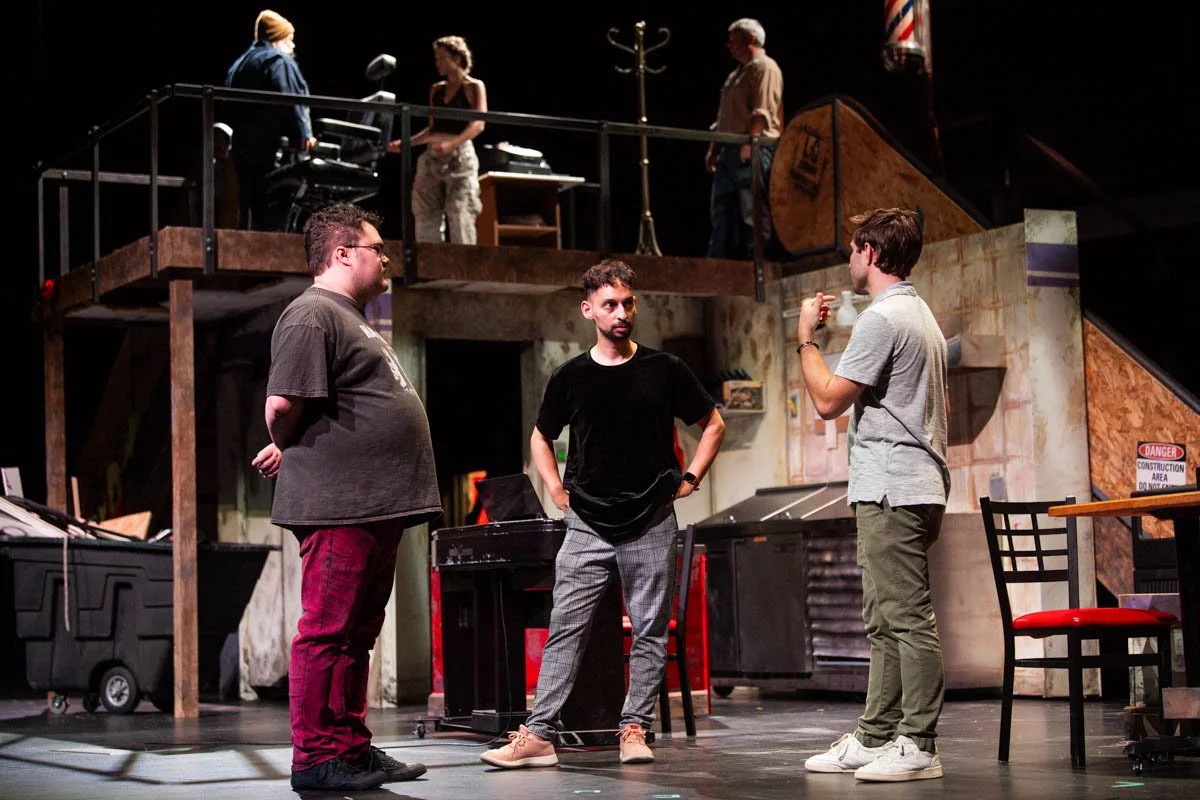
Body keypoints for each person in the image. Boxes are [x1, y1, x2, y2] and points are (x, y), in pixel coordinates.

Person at [480, 259, 726, 769]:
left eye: (628, 302)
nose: (622, 312)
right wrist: (554, 487)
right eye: (610, 304)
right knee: (566, 627)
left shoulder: (664, 369)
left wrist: (691, 478)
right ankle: (541, 734)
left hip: (651, 519)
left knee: (649, 630)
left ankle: (634, 728)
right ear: (588, 309)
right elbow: (540, 436)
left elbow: (713, 424)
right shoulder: (571, 376)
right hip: (588, 522)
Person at [251, 202, 440, 792]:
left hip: (370, 503)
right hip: (340, 506)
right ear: (341, 254)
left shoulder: (349, 316)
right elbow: (281, 405)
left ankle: (350, 748)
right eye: (376, 248)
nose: (384, 257)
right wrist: (288, 441)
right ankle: (315, 756)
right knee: (328, 631)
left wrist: (297, 445)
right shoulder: (312, 314)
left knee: (356, 633)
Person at [793, 208, 949, 782]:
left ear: (871, 253)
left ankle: (919, 742)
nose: (850, 258)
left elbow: (829, 400)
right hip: (899, 484)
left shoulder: (883, 320)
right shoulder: (914, 312)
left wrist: (805, 339)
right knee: (883, 618)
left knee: (906, 618)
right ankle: (876, 734)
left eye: (854, 248)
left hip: (894, 486)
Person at [224, 9, 317, 230]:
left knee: (253, 213)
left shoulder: (239, 65)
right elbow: (290, 100)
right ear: (277, 38)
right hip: (270, 149)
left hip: (241, 150)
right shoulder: (278, 60)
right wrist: (304, 134)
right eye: (290, 40)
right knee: (275, 214)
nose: (293, 46)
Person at [388, 36, 486, 244]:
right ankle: (428, 269)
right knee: (425, 211)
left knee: (460, 211)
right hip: (434, 154)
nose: (437, 63)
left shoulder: (473, 87)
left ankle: (462, 270)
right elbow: (433, 129)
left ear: (457, 59)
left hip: (460, 156)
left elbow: (478, 123)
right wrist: (406, 143)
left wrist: (453, 143)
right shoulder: (437, 90)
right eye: (437, 58)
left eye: (442, 58)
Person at [705, 17, 783, 260]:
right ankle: (717, 265)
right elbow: (724, 116)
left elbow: (763, 109)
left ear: (749, 38)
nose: (729, 45)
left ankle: (758, 265)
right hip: (729, 150)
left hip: (750, 147)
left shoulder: (765, 67)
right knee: (722, 212)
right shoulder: (735, 75)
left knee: (753, 210)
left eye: (734, 39)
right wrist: (713, 148)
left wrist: (752, 143)